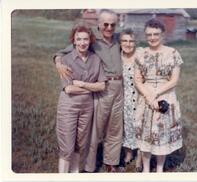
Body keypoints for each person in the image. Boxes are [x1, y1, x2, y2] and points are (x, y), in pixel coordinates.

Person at [54, 9, 123, 172]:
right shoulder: (92, 40)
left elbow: (132, 47)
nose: (109, 27)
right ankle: (88, 166)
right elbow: (64, 52)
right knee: (93, 131)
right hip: (100, 88)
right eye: (105, 24)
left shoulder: (119, 39)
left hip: (117, 86)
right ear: (99, 24)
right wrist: (58, 63)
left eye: (112, 24)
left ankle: (111, 163)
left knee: (115, 127)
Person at [134, 18, 183, 172]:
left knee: (162, 135)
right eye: (149, 35)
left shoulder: (173, 53)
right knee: (146, 136)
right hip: (145, 98)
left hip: (165, 97)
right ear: (145, 35)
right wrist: (149, 97)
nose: (152, 38)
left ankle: (160, 169)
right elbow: (137, 80)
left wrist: (156, 93)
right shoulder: (140, 54)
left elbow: (174, 80)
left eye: (156, 34)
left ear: (163, 34)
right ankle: (147, 169)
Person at [56, 23, 106, 173]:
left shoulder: (96, 59)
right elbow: (69, 89)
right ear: (74, 41)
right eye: (79, 39)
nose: (83, 42)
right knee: (67, 146)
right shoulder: (65, 61)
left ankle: (75, 173)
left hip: (87, 108)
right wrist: (91, 88)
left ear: (90, 40)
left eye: (85, 39)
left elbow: (102, 86)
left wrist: (83, 84)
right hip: (68, 107)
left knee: (80, 143)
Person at [119, 29, 142, 172]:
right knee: (126, 125)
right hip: (124, 97)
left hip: (140, 97)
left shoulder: (140, 55)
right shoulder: (118, 56)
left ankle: (139, 156)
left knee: (140, 126)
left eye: (131, 41)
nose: (128, 44)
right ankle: (128, 154)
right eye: (125, 41)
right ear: (120, 43)